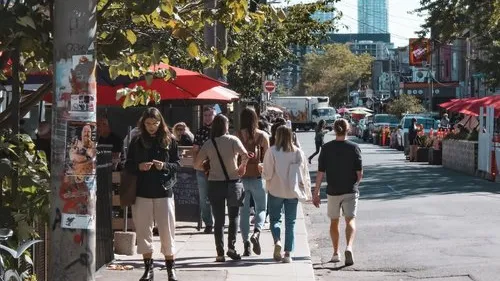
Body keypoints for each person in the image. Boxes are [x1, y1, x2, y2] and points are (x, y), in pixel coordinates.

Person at [125, 107, 180, 281]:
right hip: (142, 191)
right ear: (143, 123)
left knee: (167, 230)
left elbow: (177, 165)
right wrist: (139, 166)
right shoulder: (136, 140)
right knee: (143, 230)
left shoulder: (169, 139)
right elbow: (127, 164)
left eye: (155, 123)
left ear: (160, 122)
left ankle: (171, 268)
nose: (151, 127)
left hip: (164, 190)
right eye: (148, 123)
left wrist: (164, 165)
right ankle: (148, 269)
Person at [194, 114, 249, 262]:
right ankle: (231, 247)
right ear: (226, 126)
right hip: (233, 182)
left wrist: (208, 168)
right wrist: (242, 166)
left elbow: (196, 164)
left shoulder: (208, 143)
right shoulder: (233, 140)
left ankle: (220, 252)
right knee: (234, 217)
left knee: (218, 220)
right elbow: (245, 155)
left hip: (215, 183)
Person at [312, 118, 362, 267]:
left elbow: (320, 173)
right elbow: (360, 174)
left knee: (334, 221)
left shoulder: (326, 148)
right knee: (350, 220)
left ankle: (335, 253)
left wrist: (316, 192)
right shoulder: (354, 147)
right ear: (348, 129)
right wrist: (355, 185)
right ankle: (349, 247)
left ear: (334, 130)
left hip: (333, 191)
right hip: (350, 190)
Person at [262, 126, 310, 263]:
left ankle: (277, 241)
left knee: (275, 220)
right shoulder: (297, 152)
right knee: (291, 223)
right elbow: (303, 173)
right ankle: (288, 253)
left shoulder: (272, 151)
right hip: (292, 192)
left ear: (277, 136)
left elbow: (268, 173)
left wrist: (262, 171)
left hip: (275, 190)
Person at [236, 107, 269, 256]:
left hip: (241, 177)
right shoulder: (262, 135)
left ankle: (245, 244)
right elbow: (268, 159)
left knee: (243, 212)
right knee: (261, 208)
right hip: (257, 176)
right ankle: (256, 233)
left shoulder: (236, 135)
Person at [193, 106, 216, 234]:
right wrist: (197, 164)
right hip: (202, 168)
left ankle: (218, 221)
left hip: (217, 169)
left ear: (214, 115)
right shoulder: (200, 131)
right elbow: (195, 149)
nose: (207, 117)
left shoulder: (220, 130)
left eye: (210, 115)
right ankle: (208, 223)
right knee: (203, 197)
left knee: (216, 196)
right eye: (205, 115)